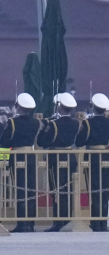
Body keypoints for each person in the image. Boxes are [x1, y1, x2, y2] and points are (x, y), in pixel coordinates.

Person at [37, 92, 79, 232]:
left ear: (59, 107)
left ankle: (59, 221)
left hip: (56, 157)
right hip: (70, 156)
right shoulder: (75, 123)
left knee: (56, 189)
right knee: (68, 189)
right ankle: (68, 219)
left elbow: (42, 142)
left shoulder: (53, 124)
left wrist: (44, 127)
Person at [0, 93, 40, 233]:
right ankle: (31, 223)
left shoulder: (12, 122)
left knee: (20, 190)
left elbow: (4, 142)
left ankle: (22, 223)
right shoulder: (36, 122)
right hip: (30, 156)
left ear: (18, 106)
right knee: (31, 189)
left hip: (17, 156)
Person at [75, 93, 109, 232]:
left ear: (92, 107)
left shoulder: (88, 123)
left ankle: (95, 222)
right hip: (106, 157)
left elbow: (79, 142)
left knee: (94, 189)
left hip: (93, 158)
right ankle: (103, 222)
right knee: (105, 190)